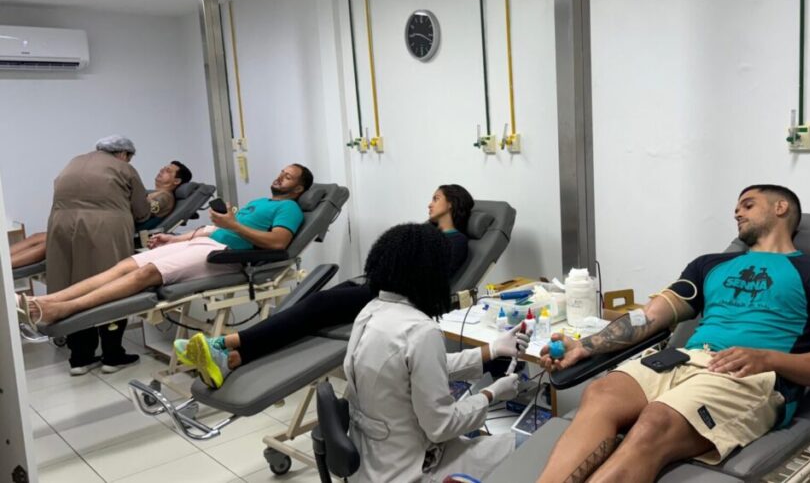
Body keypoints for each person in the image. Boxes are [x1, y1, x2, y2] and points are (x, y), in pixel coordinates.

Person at [535, 185, 810, 483]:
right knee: (601, 393)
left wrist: (766, 358)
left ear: (781, 208)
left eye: (748, 205)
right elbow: (649, 316)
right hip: (681, 360)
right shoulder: (709, 264)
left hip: (750, 375)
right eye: (736, 209)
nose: (737, 213)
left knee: (654, 422)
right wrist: (584, 346)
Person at [177, 184, 476, 389]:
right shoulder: (421, 233)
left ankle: (224, 343)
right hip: (378, 286)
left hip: (397, 298)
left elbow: (434, 277)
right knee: (309, 311)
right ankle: (233, 359)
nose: (429, 203)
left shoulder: (457, 241)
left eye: (436, 198)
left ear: (451, 204)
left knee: (317, 305)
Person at [18, 164, 313, 341]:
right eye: (281, 173)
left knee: (146, 275)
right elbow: (214, 229)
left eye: (288, 177)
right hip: (205, 243)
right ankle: (47, 300)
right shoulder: (259, 202)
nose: (280, 177)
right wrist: (174, 239)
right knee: (124, 266)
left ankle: (63, 310)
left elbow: (277, 243)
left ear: (299, 189)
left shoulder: (289, 208)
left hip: (225, 256)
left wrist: (233, 224)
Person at [351, 223, 527, 482]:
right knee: (527, 446)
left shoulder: (370, 312)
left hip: (374, 460)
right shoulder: (421, 331)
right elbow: (441, 427)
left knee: (475, 434)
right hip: (413, 470)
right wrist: (492, 393)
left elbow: (417, 370)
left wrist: (492, 349)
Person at [39, 135, 152, 374]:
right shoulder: (124, 168)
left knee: (71, 288)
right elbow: (142, 211)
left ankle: (80, 358)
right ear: (123, 154)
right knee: (111, 289)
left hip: (61, 228)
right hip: (102, 230)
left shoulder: (73, 162)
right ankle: (112, 355)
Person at [10, 160, 193, 269]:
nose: (162, 170)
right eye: (163, 168)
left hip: (111, 235)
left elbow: (139, 212)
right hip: (102, 227)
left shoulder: (165, 198)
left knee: (49, 244)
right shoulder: (152, 193)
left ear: (177, 181)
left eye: (168, 171)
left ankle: (6, 267)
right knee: (38, 237)